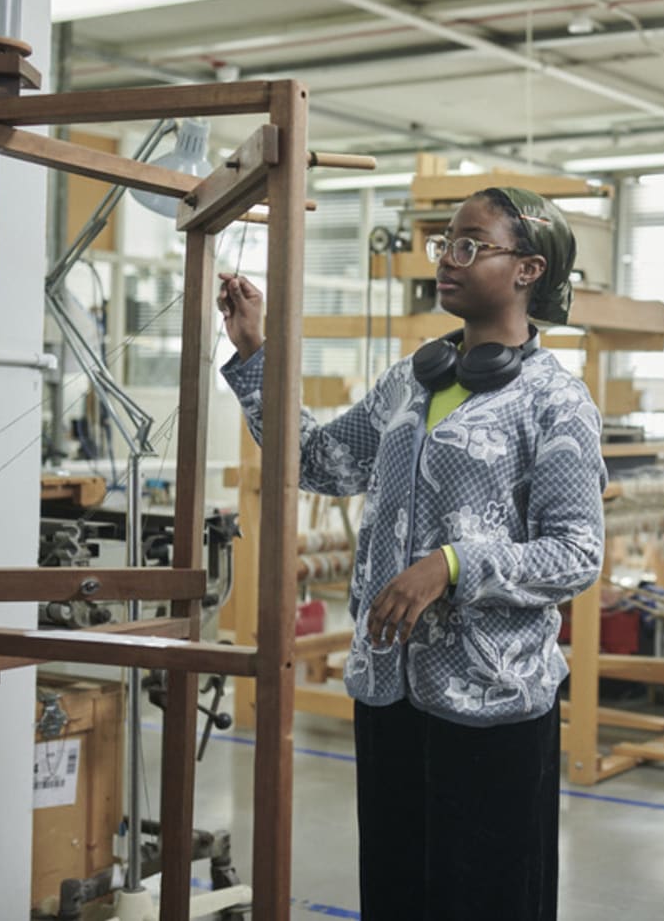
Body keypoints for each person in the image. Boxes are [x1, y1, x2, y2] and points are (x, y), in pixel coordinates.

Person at [216, 186, 605, 920]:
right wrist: (256, 352)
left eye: (469, 244)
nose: (446, 259)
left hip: (489, 700)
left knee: (481, 899)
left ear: (527, 268)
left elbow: (576, 551)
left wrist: (452, 565)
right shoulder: (410, 381)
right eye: (444, 244)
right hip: (389, 686)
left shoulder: (555, 402)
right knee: (396, 892)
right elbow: (322, 460)